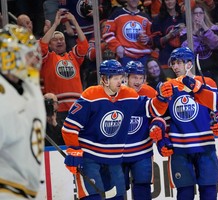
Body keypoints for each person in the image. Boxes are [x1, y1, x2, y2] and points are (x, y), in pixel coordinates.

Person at [61, 59, 174, 200]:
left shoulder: (128, 94)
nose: (120, 82)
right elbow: (70, 127)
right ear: (104, 79)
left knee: (117, 197)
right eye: (116, 79)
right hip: (90, 156)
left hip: (114, 159)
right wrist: (73, 150)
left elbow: (152, 109)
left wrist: (162, 98)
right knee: (92, 197)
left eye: (121, 78)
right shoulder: (90, 96)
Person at [149, 47, 218, 200]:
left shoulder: (207, 83)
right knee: (184, 194)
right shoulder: (167, 87)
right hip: (180, 149)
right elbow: (161, 118)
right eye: (173, 63)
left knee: (209, 193)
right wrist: (162, 139)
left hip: (205, 147)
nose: (175, 66)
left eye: (179, 62)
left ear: (189, 64)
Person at [0, 24, 46, 199]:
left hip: (24, 192)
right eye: (28, 54)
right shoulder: (3, 98)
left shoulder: (26, 89)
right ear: (9, 56)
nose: (34, 59)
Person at [39, 10, 88, 127]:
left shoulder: (73, 56)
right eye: (55, 39)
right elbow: (41, 46)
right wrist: (55, 24)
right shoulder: (48, 58)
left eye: (62, 39)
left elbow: (84, 45)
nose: (60, 41)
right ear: (50, 45)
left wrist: (74, 21)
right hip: (57, 110)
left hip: (76, 108)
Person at [122, 61, 157, 200]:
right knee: (116, 190)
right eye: (134, 77)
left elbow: (157, 117)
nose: (137, 81)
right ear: (127, 77)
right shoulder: (117, 93)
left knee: (142, 188)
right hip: (119, 153)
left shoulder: (150, 92)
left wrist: (155, 126)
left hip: (142, 151)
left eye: (140, 77)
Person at [103, 0, 153, 66]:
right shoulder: (117, 14)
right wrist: (117, 46)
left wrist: (148, 39)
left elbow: (152, 37)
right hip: (125, 56)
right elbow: (107, 33)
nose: (134, 0)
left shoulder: (145, 17)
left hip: (143, 56)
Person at [181, 4, 218, 91]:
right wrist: (194, 33)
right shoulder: (185, 33)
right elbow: (187, 50)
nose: (198, 16)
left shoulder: (214, 29)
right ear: (192, 16)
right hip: (197, 72)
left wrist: (205, 29)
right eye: (195, 13)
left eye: (200, 13)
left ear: (205, 15)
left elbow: (217, 44)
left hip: (215, 70)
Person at [151, 0, 186, 78]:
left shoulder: (183, 17)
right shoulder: (158, 19)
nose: (170, 2)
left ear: (176, 0)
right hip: (166, 59)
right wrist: (169, 36)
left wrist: (184, 29)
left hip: (183, 57)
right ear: (164, 2)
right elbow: (155, 42)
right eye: (167, 0)